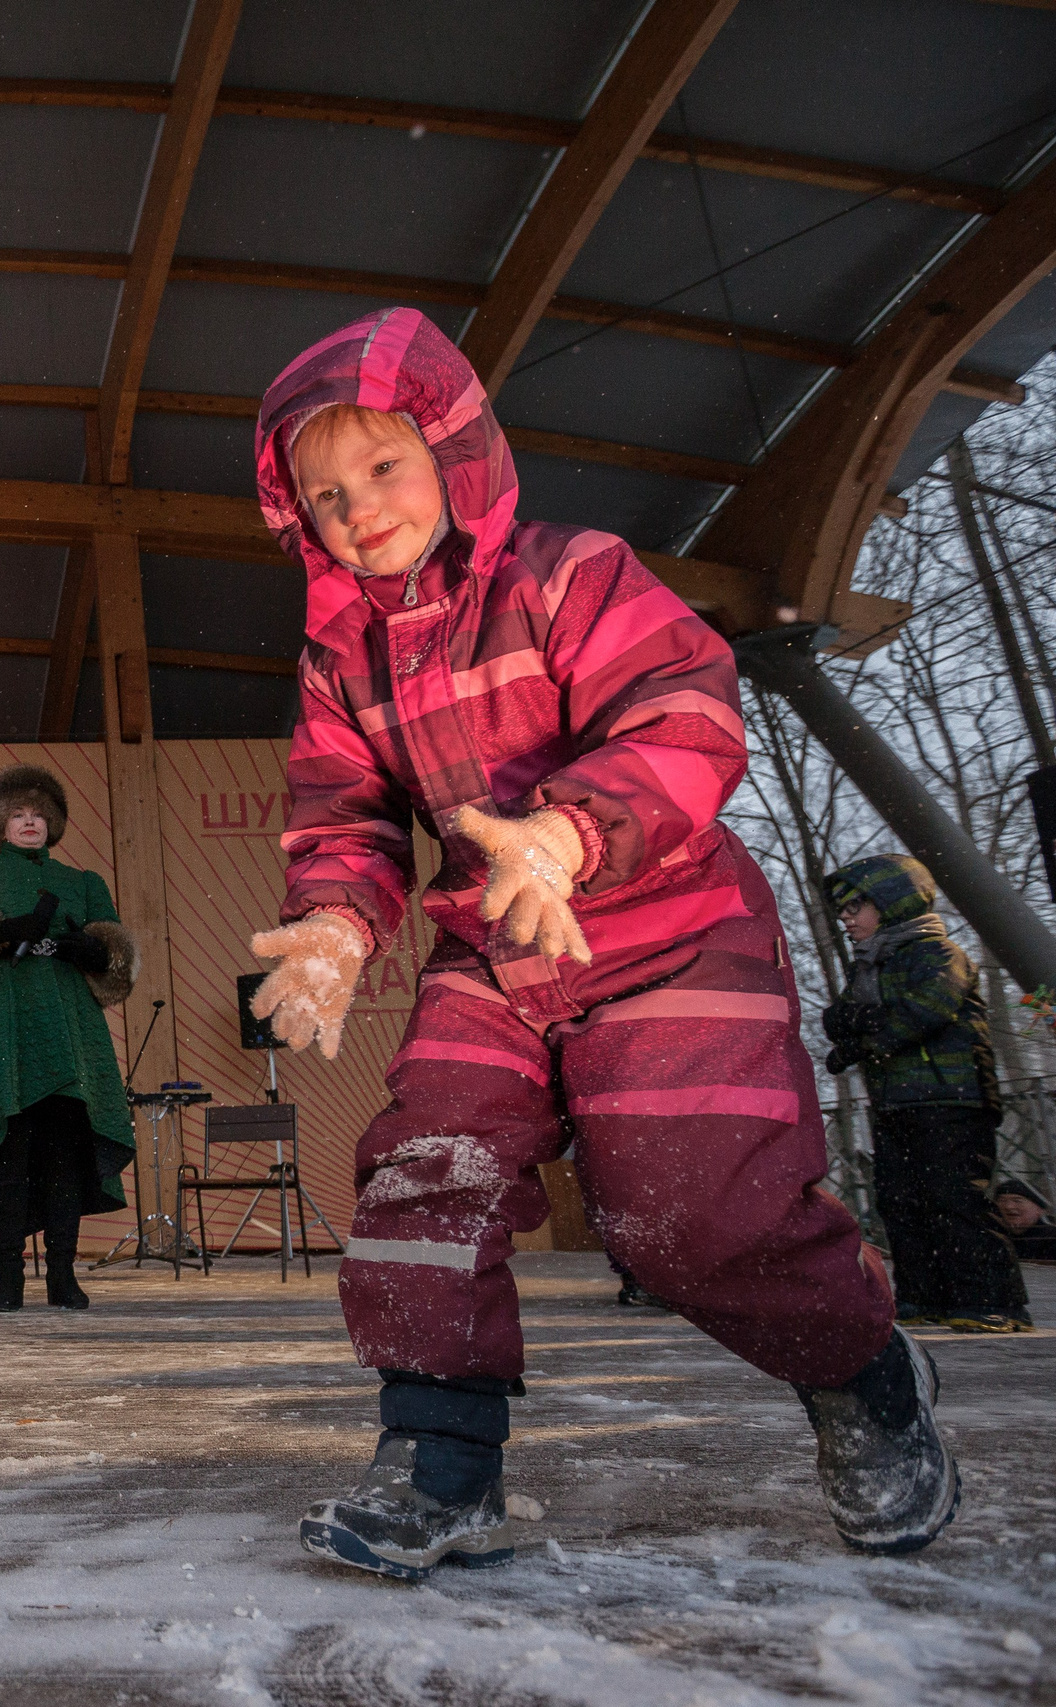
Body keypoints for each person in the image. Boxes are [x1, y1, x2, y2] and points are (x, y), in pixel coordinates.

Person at [245, 308, 948, 1580]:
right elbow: (342, 812)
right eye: (324, 492)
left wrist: (569, 834)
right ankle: (439, 1466)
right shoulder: (336, 659)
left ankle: (864, 1376)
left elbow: (682, 708)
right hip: (496, 957)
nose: (358, 508)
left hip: (668, 924)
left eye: (384, 467)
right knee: (422, 1169)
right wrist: (336, 923)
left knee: (691, 1210)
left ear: (453, 450)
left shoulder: (567, 573)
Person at [0, 765, 139, 1311]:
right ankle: (9, 1275)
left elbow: (115, 959)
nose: (29, 822)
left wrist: (78, 947)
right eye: (17, 814)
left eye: (38, 814)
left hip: (68, 1032)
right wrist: (11, 929)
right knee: (6, 1150)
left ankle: (63, 1274)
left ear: (54, 823)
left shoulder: (84, 882)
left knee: (64, 1154)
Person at [821, 856, 1031, 1333]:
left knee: (955, 1198)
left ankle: (993, 1301)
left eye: (856, 906)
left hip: (952, 1098)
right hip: (895, 1101)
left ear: (893, 903)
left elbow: (923, 1013)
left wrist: (861, 1036)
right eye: (843, 911)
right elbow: (836, 1019)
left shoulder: (939, 954)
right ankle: (923, 1296)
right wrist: (861, 1029)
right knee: (901, 1200)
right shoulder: (870, 967)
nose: (847, 919)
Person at [993, 1181, 1056, 1263]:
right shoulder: (994, 1235)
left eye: (1017, 1201)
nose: (1008, 1206)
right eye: (1002, 1200)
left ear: (1039, 1208)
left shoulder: (1051, 1238)